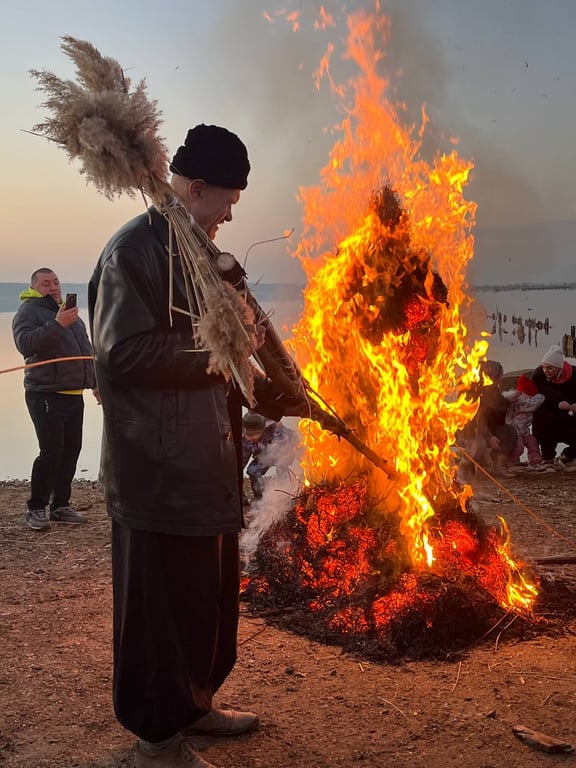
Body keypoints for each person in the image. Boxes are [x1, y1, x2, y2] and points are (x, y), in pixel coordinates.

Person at [88, 124, 299, 768]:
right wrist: (220, 345)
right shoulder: (135, 251)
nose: (232, 212)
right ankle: (157, 739)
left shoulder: (202, 253)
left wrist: (284, 395)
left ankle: (194, 703)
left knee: (206, 605)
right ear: (195, 186)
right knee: (161, 610)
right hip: (156, 469)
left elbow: (240, 363)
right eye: (227, 198)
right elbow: (120, 355)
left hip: (209, 464)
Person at [12, 268, 97, 531]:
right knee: (51, 452)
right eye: (46, 283)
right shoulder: (28, 312)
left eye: (56, 282)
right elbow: (25, 344)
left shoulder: (71, 317)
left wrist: (95, 384)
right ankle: (35, 508)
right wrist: (57, 324)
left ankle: (60, 506)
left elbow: (85, 351)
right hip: (45, 393)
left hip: (73, 394)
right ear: (35, 287)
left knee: (71, 451)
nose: (53, 286)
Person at [457, 360, 518, 478]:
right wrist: (489, 437)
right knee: (479, 444)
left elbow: (498, 418)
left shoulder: (493, 389)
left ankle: (499, 466)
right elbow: (475, 421)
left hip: (489, 428)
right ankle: (463, 469)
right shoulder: (470, 391)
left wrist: (506, 402)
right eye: (499, 375)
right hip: (469, 431)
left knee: (509, 432)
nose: (501, 378)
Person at [531, 344, 576, 466]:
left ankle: (568, 455)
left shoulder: (574, 374)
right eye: (544, 367)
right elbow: (534, 398)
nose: (546, 371)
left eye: (550, 368)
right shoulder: (539, 375)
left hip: (571, 415)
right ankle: (548, 458)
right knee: (544, 423)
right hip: (547, 413)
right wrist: (557, 403)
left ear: (559, 368)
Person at [242, 412, 298, 500]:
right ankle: (260, 498)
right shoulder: (246, 439)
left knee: (282, 468)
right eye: (246, 434)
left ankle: (284, 496)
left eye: (251, 435)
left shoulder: (277, 432)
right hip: (262, 456)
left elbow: (291, 442)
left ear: (261, 431)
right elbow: (243, 459)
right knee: (252, 471)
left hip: (282, 453)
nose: (248, 438)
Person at [501, 373, 545, 469]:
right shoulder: (514, 402)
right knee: (518, 447)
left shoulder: (533, 402)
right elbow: (504, 407)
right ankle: (509, 463)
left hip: (525, 430)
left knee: (532, 442)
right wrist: (509, 400)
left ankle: (535, 461)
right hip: (514, 430)